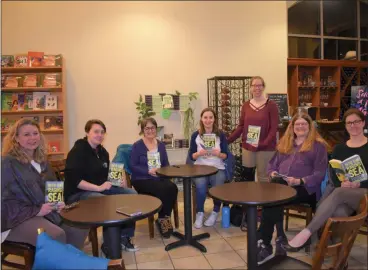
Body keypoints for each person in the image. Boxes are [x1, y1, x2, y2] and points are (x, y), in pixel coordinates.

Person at [284, 108, 368, 252]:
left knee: (339, 193)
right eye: (349, 123)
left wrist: (359, 183)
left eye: (356, 122)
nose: (353, 126)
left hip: (364, 194)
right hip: (346, 193)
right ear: (345, 126)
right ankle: (339, 257)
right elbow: (334, 177)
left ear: (363, 123)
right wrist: (342, 182)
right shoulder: (339, 149)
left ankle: (307, 233)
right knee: (339, 212)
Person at [1, 119, 88, 249]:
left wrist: (58, 202)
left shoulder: (43, 161)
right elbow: (5, 201)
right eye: (26, 134)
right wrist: (36, 210)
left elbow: (52, 188)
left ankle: (65, 262)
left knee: (80, 226)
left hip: (46, 212)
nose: (32, 138)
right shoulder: (7, 163)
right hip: (17, 220)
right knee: (55, 235)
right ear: (16, 138)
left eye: (35, 133)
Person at [256, 112, 329, 265]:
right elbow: (271, 164)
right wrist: (272, 172)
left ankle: (265, 241)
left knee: (272, 198)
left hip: (305, 189)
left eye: (304, 124)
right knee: (274, 194)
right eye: (297, 124)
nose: (300, 127)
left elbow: (320, 173)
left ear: (310, 126)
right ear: (292, 127)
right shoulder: (285, 143)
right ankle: (279, 238)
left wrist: (300, 180)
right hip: (282, 185)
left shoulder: (318, 146)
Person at [64, 119, 138, 254]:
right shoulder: (78, 150)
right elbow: (75, 180)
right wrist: (98, 188)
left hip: (100, 190)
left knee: (130, 195)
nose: (100, 135)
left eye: (102, 132)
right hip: (78, 194)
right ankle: (109, 245)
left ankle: (123, 237)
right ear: (87, 132)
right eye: (96, 131)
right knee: (105, 202)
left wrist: (117, 181)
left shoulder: (103, 152)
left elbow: (105, 176)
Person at [130, 117, 178, 239]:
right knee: (164, 189)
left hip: (158, 178)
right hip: (141, 179)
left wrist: (161, 171)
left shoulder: (161, 145)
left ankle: (163, 218)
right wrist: (148, 172)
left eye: (152, 128)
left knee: (172, 187)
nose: (150, 130)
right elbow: (133, 166)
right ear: (143, 130)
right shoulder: (137, 146)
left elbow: (166, 164)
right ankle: (163, 220)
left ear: (156, 129)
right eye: (147, 128)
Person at [227, 76, 279, 182]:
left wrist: (264, 143)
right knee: (247, 177)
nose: (257, 88)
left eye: (260, 85)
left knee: (263, 177)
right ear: (250, 88)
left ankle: (265, 199)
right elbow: (241, 126)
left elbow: (274, 128)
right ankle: (250, 199)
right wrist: (228, 140)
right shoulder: (246, 105)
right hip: (249, 146)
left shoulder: (271, 105)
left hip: (266, 147)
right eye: (254, 85)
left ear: (263, 87)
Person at [189, 108, 229, 228]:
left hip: (217, 166)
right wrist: (199, 154)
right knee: (201, 185)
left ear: (214, 119)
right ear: (201, 119)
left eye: (210, 117)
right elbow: (192, 155)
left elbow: (226, 155)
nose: (208, 120)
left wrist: (218, 154)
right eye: (205, 117)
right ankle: (200, 213)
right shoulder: (196, 135)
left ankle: (215, 212)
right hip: (201, 167)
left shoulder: (220, 134)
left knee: (218, 184)